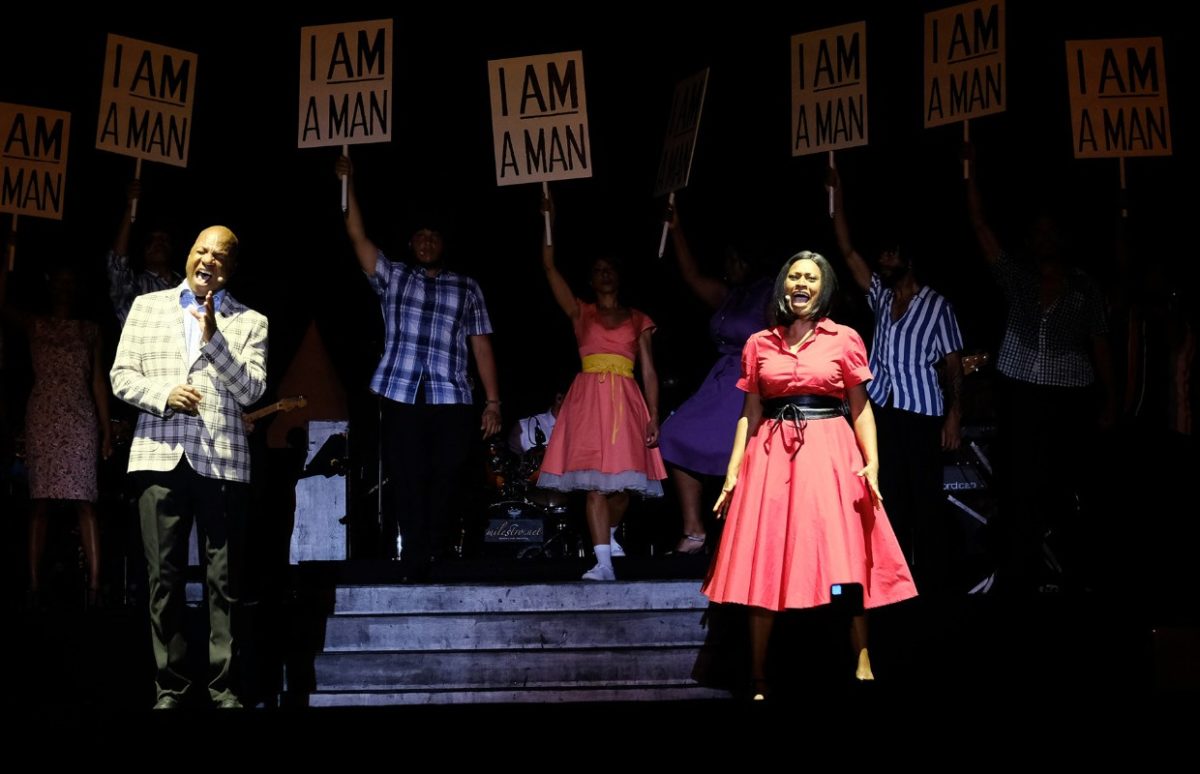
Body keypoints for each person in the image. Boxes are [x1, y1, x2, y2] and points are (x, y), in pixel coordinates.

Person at [703, 251, 917, 697]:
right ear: (783, 286)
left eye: (810, 278)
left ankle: (861, 657)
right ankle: (759, 673)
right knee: (764, 558)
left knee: (843, 557)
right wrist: (733, 472)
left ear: (823, 289)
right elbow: (750, 411)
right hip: (772, 456)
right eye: (794, 277)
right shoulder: (759, 343)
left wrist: (872, 462)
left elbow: (860, 409)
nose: (801, 284)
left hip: (829, 450)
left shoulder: (844, 339)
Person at [111, 225, 267, 709]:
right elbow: (121, 376)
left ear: (231, 269)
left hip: (222, 463)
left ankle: (224, 688)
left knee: (226, 582)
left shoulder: (250, 321)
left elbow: (253, 391)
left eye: (220, 257)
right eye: (201, 250)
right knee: (163, 579)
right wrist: (162, 396)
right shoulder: (147, 306)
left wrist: (214, 338)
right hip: (158, 456)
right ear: (189, 255)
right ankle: (171, 687)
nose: (208, 261)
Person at [336, 155, 501, 579]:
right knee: (407, 476)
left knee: (446, 476)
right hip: (401, 391)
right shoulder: (394, 275)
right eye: (420, 236)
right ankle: (413, 557)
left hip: (452, 396)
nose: (426, 241)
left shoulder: (466, 287)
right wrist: (348, 183)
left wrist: (493, 401)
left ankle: (437, 552)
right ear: (411, 243)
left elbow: (481, 345)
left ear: (443, 243)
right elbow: (357, 234)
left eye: (434, 236)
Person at [964, 144, 1114, 592]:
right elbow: (981, 227)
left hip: (1069, 398)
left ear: (1062, 240)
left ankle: (1075, 578)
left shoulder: (1086, 288)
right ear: (1031, 241)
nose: (1045, 240)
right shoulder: (1018, 277)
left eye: (1053, 233)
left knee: (1067, 493)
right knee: (1018, 489)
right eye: (1039, 233)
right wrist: (969, 172)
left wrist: (1110, 402)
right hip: (1021, 393)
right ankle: (1018, 580)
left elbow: (1102, 346)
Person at [826, 167, 965, 593]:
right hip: (885, 411)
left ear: (908, 258)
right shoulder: (883, 298)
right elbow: (849, 255)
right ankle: (895, 582)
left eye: (890, 255)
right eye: (881, 255)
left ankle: (935, 585)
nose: (883, 261)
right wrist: (837, 197)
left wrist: (954, 415)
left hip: (923, 415)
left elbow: (953, 364)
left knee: (926, 501)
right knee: (891, 500)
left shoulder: (937, 306)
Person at [536, 190, 667, 580]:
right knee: (593, 483)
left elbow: (649, 371)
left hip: (626, 399)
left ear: (619, 275)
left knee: (624, 489)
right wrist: (550, 220)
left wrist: (654, 413)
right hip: (589, 397)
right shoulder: (581, 312)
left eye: (610, 268)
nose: (604, 273)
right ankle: (603, 564)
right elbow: (548, 267)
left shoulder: (637, 317)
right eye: (598, 269)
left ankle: (606, 537)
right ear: (591, 279)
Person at [658, 202, 771, 555]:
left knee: (739, 458)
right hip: (719, 382)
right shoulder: (729, 295)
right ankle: (695, 531)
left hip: (751, 381)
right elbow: (691, 276)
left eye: (734, 260)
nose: (728, 267)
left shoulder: (770, 292)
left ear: (749, 261)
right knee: (674, 436)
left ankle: (743, 537)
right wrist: (676, 229)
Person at [1, 260, 111, 607]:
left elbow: (97, 382)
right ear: (49, 285)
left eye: (70, 282)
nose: (64, 288)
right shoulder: (36, 324)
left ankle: (95, 586)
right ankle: (33, 586)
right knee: (40, 502)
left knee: (85, 501)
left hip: (79, 416)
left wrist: (107, 430)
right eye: (58, 281)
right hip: (44, 415)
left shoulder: (89, 330)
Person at [107, 179, 180, 327]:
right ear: (142, 250)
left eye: (164, 239)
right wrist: (129, 208)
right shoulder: (134, 286)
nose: (158, 243)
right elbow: (117, 265)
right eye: (151, 240)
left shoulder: (187, 285)